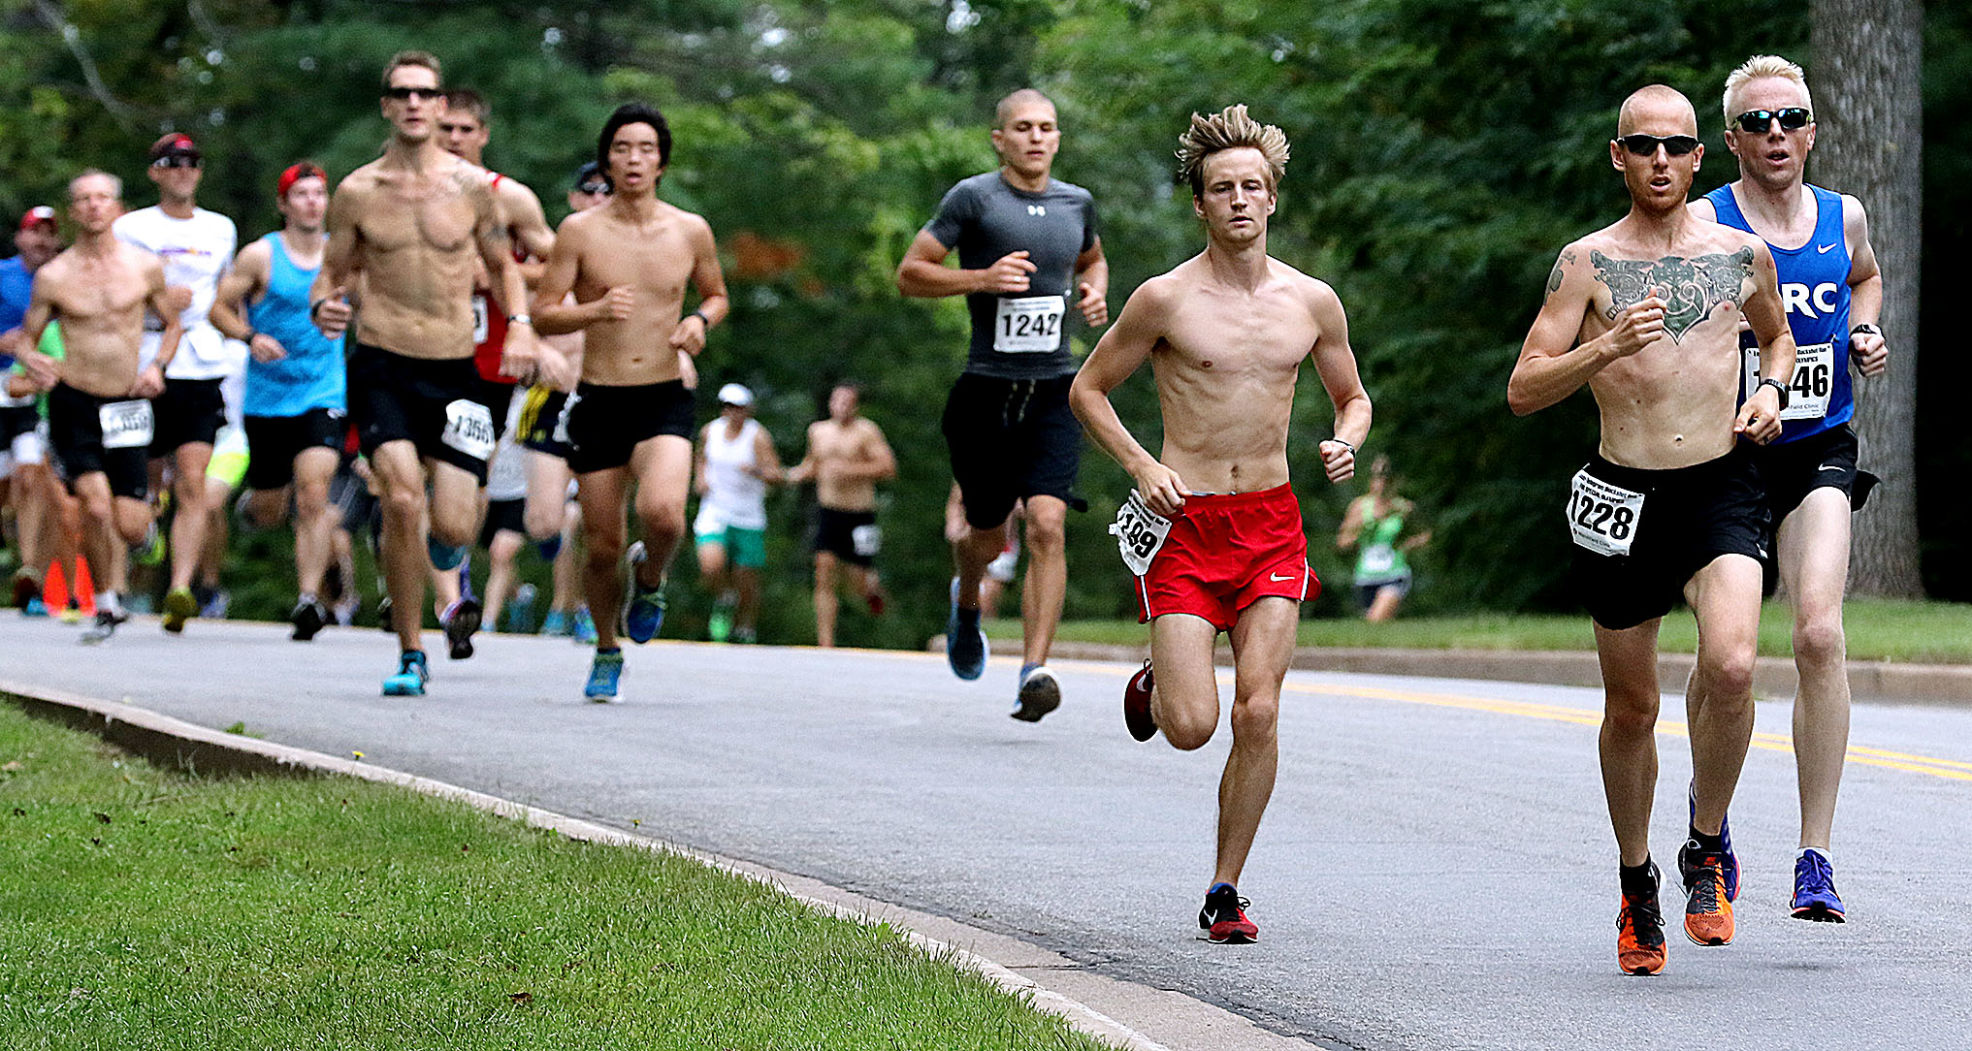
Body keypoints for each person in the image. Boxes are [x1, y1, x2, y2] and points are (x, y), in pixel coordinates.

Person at [1507, 85, 1797, 975]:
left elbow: (1777, 339)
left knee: (1736, 662)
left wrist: (1771, 391)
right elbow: (1523, 387)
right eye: (1644, 146)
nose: (1661, 160)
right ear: (1618, 156)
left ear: (1699, 156)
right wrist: (1604, 348)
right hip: (1622, 491)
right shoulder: (1586, 264)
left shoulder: (1741, 253)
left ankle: (1705, 844)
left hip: (1721, 482)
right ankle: (1637, 882)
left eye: (1676, 145)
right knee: (1631, 708)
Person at [1069, 105, 1371, 944]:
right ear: (1199, 204)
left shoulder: (1311, 301)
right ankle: (1159, 682)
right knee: (1193, 725)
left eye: (1252, 186)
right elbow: (1087, 390)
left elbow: (1353, 396)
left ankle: (1226, 886)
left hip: (1271, 523)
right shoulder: (1163, 298)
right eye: (1221, 188)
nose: (1239, 200)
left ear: (1272, 198)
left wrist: (1345, 439)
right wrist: (1142, 465)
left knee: (1259, 712)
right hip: (1186, 523)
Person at [1688, 54, 1887, 925]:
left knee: (1817, 632)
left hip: (1817, 447)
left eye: (1791, 119)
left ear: (1812, 129)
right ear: (1731, 139)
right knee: (1723, 659)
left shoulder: (1843, 214)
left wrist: (1867, 329)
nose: (1777, 134)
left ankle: (1816, 855)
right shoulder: (1703, 221)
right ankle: (1710, 823)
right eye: (1758, 123)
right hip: (1722, 453)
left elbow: (1864, 278)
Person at [311, 50, 553, 696]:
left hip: (458, 370)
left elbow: (504, 266)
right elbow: (332, 270)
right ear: (386, 105)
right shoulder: (358, 191)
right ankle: (411, 650)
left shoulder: (472, 189)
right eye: (402, 93)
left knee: (453, 523)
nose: (415, 103)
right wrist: (321, 303)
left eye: (426, 93)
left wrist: (524, 324)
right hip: (384, 363)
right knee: (400, 496)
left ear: (442, 105)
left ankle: (445, 557)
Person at [896, 88, 1109, 720]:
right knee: (986, 540)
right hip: (986, 392)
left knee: (1047, 524)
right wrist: (980, 279)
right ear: (1000, 138)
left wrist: (1094, 293)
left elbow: (1092, 260)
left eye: (1047, 127)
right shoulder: (974, 199)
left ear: (1058, 137)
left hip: (1055, 391)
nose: (1036, 138)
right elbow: (911, 272)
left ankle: (1034, 670)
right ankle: (967, 601)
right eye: (1022, 128)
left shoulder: (1077, 203)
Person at [533, 102, 730, 701]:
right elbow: (543, 312)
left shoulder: (689, 229)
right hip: (600, 399)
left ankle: (651, 577)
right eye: (622, 149)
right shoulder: (580, 232)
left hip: (664, 395)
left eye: (645, 149)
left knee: (667, 514)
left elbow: (718, 295)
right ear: (607, 160)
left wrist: (699, 320)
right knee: (601, 547)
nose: (633, 159)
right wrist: (592, 310)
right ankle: (605, 648)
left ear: (661, 162)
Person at [14, 171, 181, 643]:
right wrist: (35, 360)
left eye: (102, 198)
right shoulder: (54, 275)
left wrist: (158, 368)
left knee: (128, 524)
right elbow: (25, 338)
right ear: (73, 211)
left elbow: (172, 324)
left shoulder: (144, 267)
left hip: (127, 399)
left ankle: (146, 525)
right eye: (83, 199)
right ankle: (106, 601)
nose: (93, 206)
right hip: (75, 400)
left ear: (117, 208)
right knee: (94, 504)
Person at [427, 87, 559, 659]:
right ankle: (446, 599)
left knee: (469, 480)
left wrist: (500, 275)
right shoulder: (408, 194)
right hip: (427, 353)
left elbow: (560, 264)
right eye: (445, 129)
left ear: (483, 135)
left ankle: (455, 576)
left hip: (490, 365)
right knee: (421, 474)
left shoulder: (513, 199)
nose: (454, 139)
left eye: (464, 130)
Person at [208, 162, 346, 640]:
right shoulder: (260, 256)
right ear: (284, 204)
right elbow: (217, 307)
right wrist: (250, 336)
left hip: (323, 390)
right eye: (301, 194)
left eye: (319, 193)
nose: (312, 202)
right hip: (268, 398)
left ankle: (308, 600)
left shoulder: (339, 255)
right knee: (271, 510)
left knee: (314, 494)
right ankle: (256, 505)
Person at [113, 132, 239, 634]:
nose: (183, 170)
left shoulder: (221, 228)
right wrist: (157, 301)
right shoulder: (131, 227)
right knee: (141, 482)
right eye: (172, 162)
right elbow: (114, 291)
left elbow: (226, 294)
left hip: (201, 363)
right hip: (143, 362)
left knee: (193, 482)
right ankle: (136, 550)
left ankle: (180, 588)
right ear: (155, 173)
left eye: (191, 162)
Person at [519, 162, 611, 644]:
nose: (599, 197)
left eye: (607, 191)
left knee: (595, 520)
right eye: (590, 190)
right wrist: (538, 349)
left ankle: (578, 608)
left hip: (606, 397)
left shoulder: (631, 258)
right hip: (551, 399)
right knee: (544, 522)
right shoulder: (554, 258)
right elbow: (519, 315)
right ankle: (561, 591)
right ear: (575, 199)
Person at [788, 382, 895, 648]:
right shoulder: (818, 431)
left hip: (859, 514)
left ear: (855, 406)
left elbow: (887, 467)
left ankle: (873, 592)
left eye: (847, 402)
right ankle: (826, 642)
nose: (841, 407)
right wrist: (791, 475)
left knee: (857, 582)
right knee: (823, 569)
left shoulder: (866, 432)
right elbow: (812, 464)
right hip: (829, 511)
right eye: (837, 401)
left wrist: (850, 470)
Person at [2, 206, 63, 611]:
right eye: (34, 232)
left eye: (49, 233)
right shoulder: (2, 274)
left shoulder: (64, 278)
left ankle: (30, 572)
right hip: (1, 383)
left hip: (35, 393)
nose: (42, 240)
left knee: (32, 475)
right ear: (19, 238)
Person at [693, 382, 783, 643]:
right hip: (715, 509)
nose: (733, 413)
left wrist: (755, 471)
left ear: (748, 410)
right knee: (711, 565)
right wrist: (700, 478)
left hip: (747, 514)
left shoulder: (757, 437)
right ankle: (724, 596)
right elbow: (701, 457)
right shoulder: (710, 431)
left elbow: (777, 474)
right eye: (729, 407)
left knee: (747, 577)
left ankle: (745, 626)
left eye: (739, 408)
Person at [1336, 455, 1431, 622]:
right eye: (1376, 476)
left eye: (1386, 478)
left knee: (1375, 620)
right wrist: (1365, 525)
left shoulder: (1403, 507)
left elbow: (1426, 535)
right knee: (1376, 627)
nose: (1381, 482)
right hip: (1365, 576)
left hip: (1395, 573)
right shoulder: (1359, 507)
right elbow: (1342, 543)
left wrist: (1407, 545)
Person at [944, 483, 1020, 620]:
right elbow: (955, 501)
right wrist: (953, 528)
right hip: (972, 538)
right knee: (974, 588)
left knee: (989, 596)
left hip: (1003, 545)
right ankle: (969, 623)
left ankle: (981, 625)